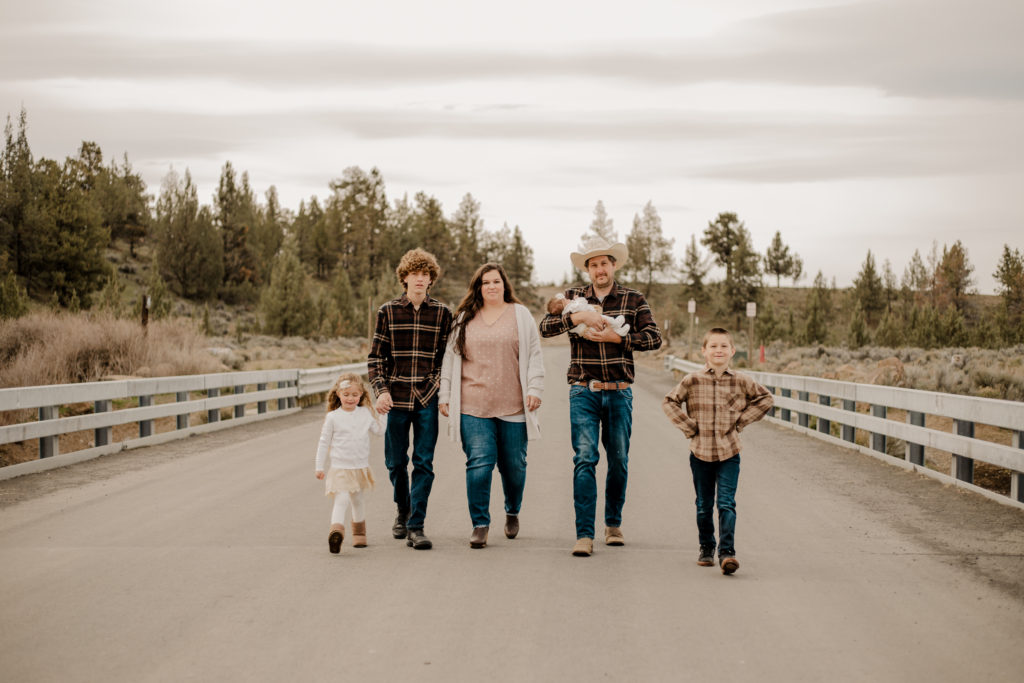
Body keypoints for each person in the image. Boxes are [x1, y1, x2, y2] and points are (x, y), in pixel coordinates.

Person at [539, 237, 662, 557]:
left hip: (620, 392)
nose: (599, 269)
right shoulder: (572, 298)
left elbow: (654, 338)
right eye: (593, 265)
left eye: (604, 263)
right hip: (584, 390)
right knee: (584, 459)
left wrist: (617, 339)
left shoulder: (634, 299)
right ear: (587, 269)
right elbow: (545, 328)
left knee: (619, 461)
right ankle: (584, 534)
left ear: (614, 265)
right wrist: (576, 318)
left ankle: (613, 524)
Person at [439, 263, 544, 549]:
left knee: (514, 467)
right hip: (473, 406)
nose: (491, 287)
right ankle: (480, 524)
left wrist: (534, 388)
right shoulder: (464, 318)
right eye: (485, 283)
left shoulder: (520, 315)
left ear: (504, 284)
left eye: (496, 281)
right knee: (480, 464)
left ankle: (512, 510)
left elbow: (534, 354)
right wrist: (445, 395)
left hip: (513, 406)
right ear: (478, 287)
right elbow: (450, 358)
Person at [661, 327, 774, 575]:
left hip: (729, 452)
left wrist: (741, 421)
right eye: (713, 346)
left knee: (726, 503)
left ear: (732, 351)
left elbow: (766, 399)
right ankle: (706, 547)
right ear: (704, 351)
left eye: (724, 346)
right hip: (700, 452)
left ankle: (727, 553)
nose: (718, 350)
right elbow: (669, 402)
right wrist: (689, 427)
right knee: (703, 504)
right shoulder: (692, 380)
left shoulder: (742, 381)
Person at [368, 248, 453, 550]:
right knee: (395, 462)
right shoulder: (387, 312)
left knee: (424, 463)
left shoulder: (442, 313)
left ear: (431, 279)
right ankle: (402, 510)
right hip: (396, 398)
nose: (420, 278)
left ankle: (416, 525)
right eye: (415, 273)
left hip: (427, 397)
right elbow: (376, 358)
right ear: (404, 277)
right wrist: (381, 391)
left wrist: (439, 388)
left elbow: (447, 358)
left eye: (426, 274)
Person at [314, 372, 382, 554]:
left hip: (359, 467)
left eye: (354, 395)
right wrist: (319, 466)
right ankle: (336, 531)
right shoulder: (333, 417)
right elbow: (323, 442)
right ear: (338, 394)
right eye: (346, 395)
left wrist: (383, 413)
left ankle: (360, 536)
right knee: (342, 499)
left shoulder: (365, 413)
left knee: (358, 500)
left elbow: (379, 431)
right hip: (340, 468)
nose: (350, 398)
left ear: (361, 395)